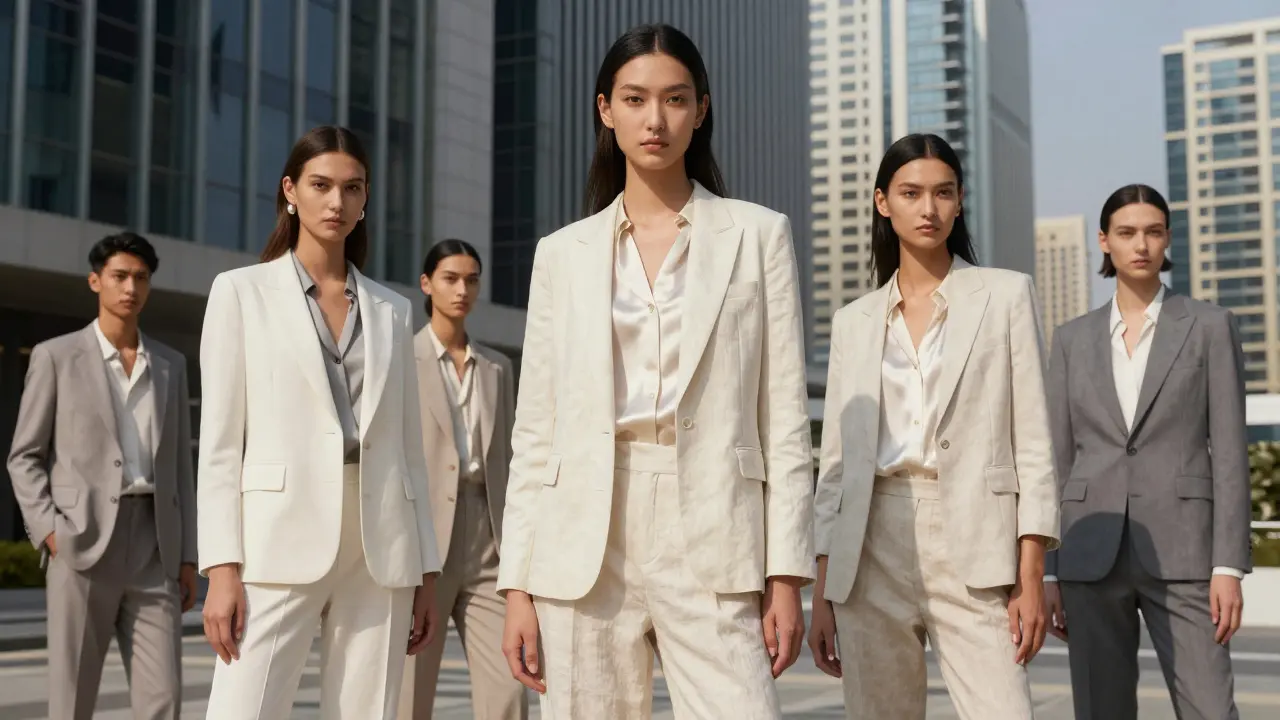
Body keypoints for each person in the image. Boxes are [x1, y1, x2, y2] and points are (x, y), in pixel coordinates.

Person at [497, 23, 814, 719]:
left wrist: (786, 574)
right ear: (605, 110)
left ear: (701, 110)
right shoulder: (563, 254)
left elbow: (783, 418)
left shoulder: (757, 236)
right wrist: (516, 584)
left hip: (713, 525)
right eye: (635, 100)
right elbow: (535, 431)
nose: (655, 119)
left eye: (674, 100)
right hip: (584, 532)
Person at [807, 133, 1059, 719]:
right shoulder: (854, 322)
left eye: (943, 193)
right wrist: (822, 593)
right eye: (911, 193)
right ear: (882, 203)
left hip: (975, 536)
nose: (929, 209)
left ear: (960, 200)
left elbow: (1035, 445)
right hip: (870, 542)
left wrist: (1031, 573)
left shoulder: (1006, 295)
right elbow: (837, 469)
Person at [197, 125, 441, 718]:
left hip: (380, 543)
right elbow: (221, 445)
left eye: (352, 188)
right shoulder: (240, 293)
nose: (337, 202)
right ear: (291, 191)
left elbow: (410, 451)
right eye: (321, 185)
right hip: (276, 540)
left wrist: (426, 569)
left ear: (365, 200)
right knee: (243, 709)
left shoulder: (393, 308)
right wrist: (221, 569)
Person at [1042, 184, 1250, 720]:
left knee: (1210, 708)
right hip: (1089, 552)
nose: (1142, 245)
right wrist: (1047, 570)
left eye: (1154, 232)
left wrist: (1229, 565)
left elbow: (1229, 453)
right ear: (1104, 241)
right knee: (1100, 710)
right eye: (1128, 233)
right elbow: (1057, 461)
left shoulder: (1209, 327)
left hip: (1187, 554)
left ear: (1167, 241)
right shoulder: (1070, 340)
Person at [7, 232, 198, 720]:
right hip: (81, 541)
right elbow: (24, 456)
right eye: (119, 276)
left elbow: (180, 469)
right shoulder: (55, 357)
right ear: (96, 281)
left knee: (165, 699)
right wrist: (50, 531)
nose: (130, 287)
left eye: (140, 278)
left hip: (155, 547)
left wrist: (188, 556)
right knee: (72, 698)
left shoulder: (172, 366)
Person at [397, 239, 527, 719]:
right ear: (427, 284)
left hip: (489, 544)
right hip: (423, 541)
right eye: (451, 278)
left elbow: (513, 460)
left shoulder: (498, 368)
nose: (463, 289)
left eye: (472, 279)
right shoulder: (398, 361)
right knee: (410, 694)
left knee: (508, 691)